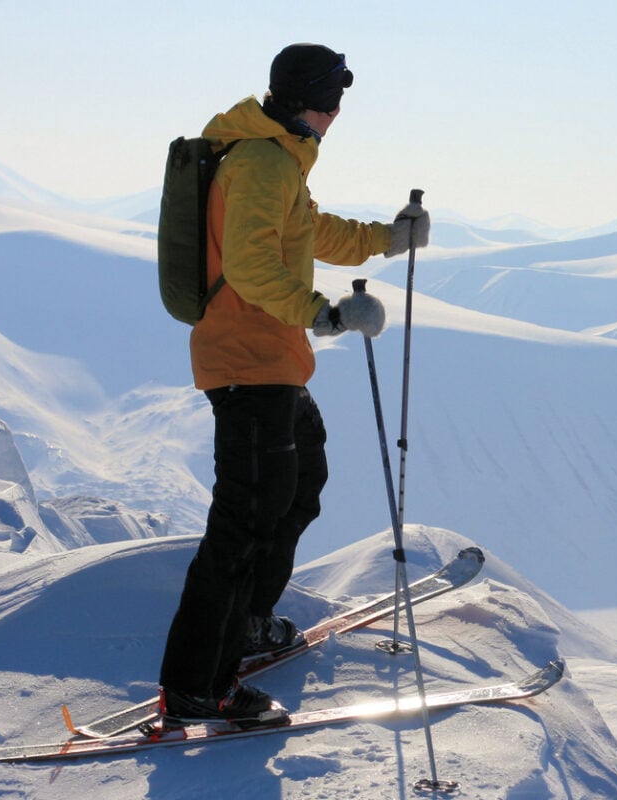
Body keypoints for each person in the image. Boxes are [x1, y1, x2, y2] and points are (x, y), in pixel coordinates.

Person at [158, 43, 430, 726]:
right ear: (320, 102)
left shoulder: (277, 155)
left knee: (299, 483)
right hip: (246, 361)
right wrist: (326, 314)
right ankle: (199, 685)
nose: (339, 111)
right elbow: (252, 267)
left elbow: (307, 234)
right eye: (337, 97)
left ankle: (247, 625)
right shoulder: (260, 161)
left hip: (272, 361)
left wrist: (386, 239)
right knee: (244, 522)